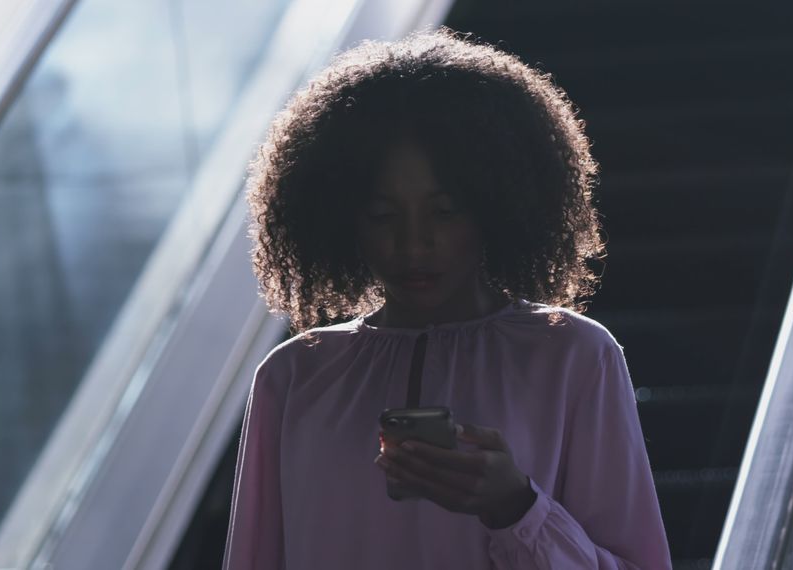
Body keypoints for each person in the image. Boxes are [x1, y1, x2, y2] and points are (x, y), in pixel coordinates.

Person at [221, 26, 672, 569]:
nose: (415, 243)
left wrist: (516, 507)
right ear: (342, 216)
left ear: (494, 204)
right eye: (383, 215)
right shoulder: (292, 376)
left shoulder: (574, 355)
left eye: (445, 210)